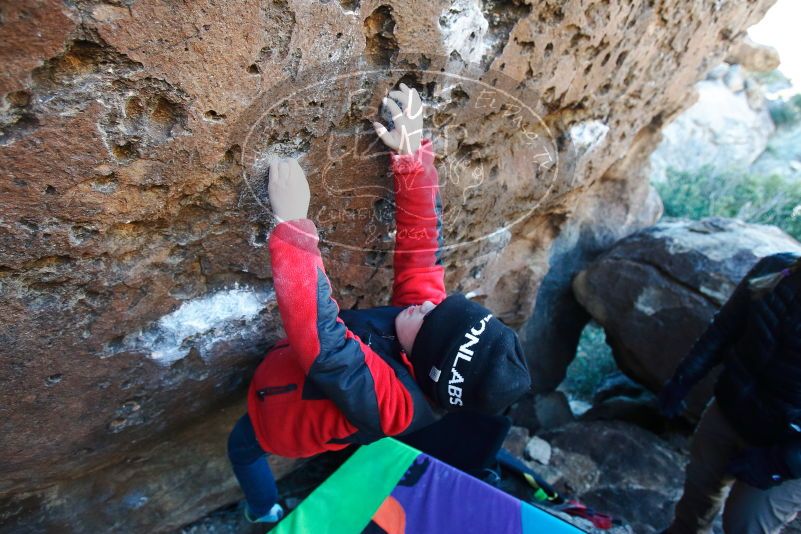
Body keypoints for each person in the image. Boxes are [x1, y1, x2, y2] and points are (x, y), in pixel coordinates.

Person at [227, 83, 531, 524]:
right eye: (439, 308)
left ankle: (264, 511)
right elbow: (422, 247)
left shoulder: (396, 407)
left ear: (425, 362)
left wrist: (293, 224)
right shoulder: (427, 327)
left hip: (278, 415)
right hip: (285, 371)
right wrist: (413, 156)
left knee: (243, 449)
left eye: (430, 320)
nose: (427, 306)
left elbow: (324, 343)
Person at [660, 252, 801, 534]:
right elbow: (725, 328)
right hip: (730, 411)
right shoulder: (777, 269)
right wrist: (683, 379)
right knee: (695, 501)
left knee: (745, 525)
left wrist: (780, 463)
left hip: (785, 445)